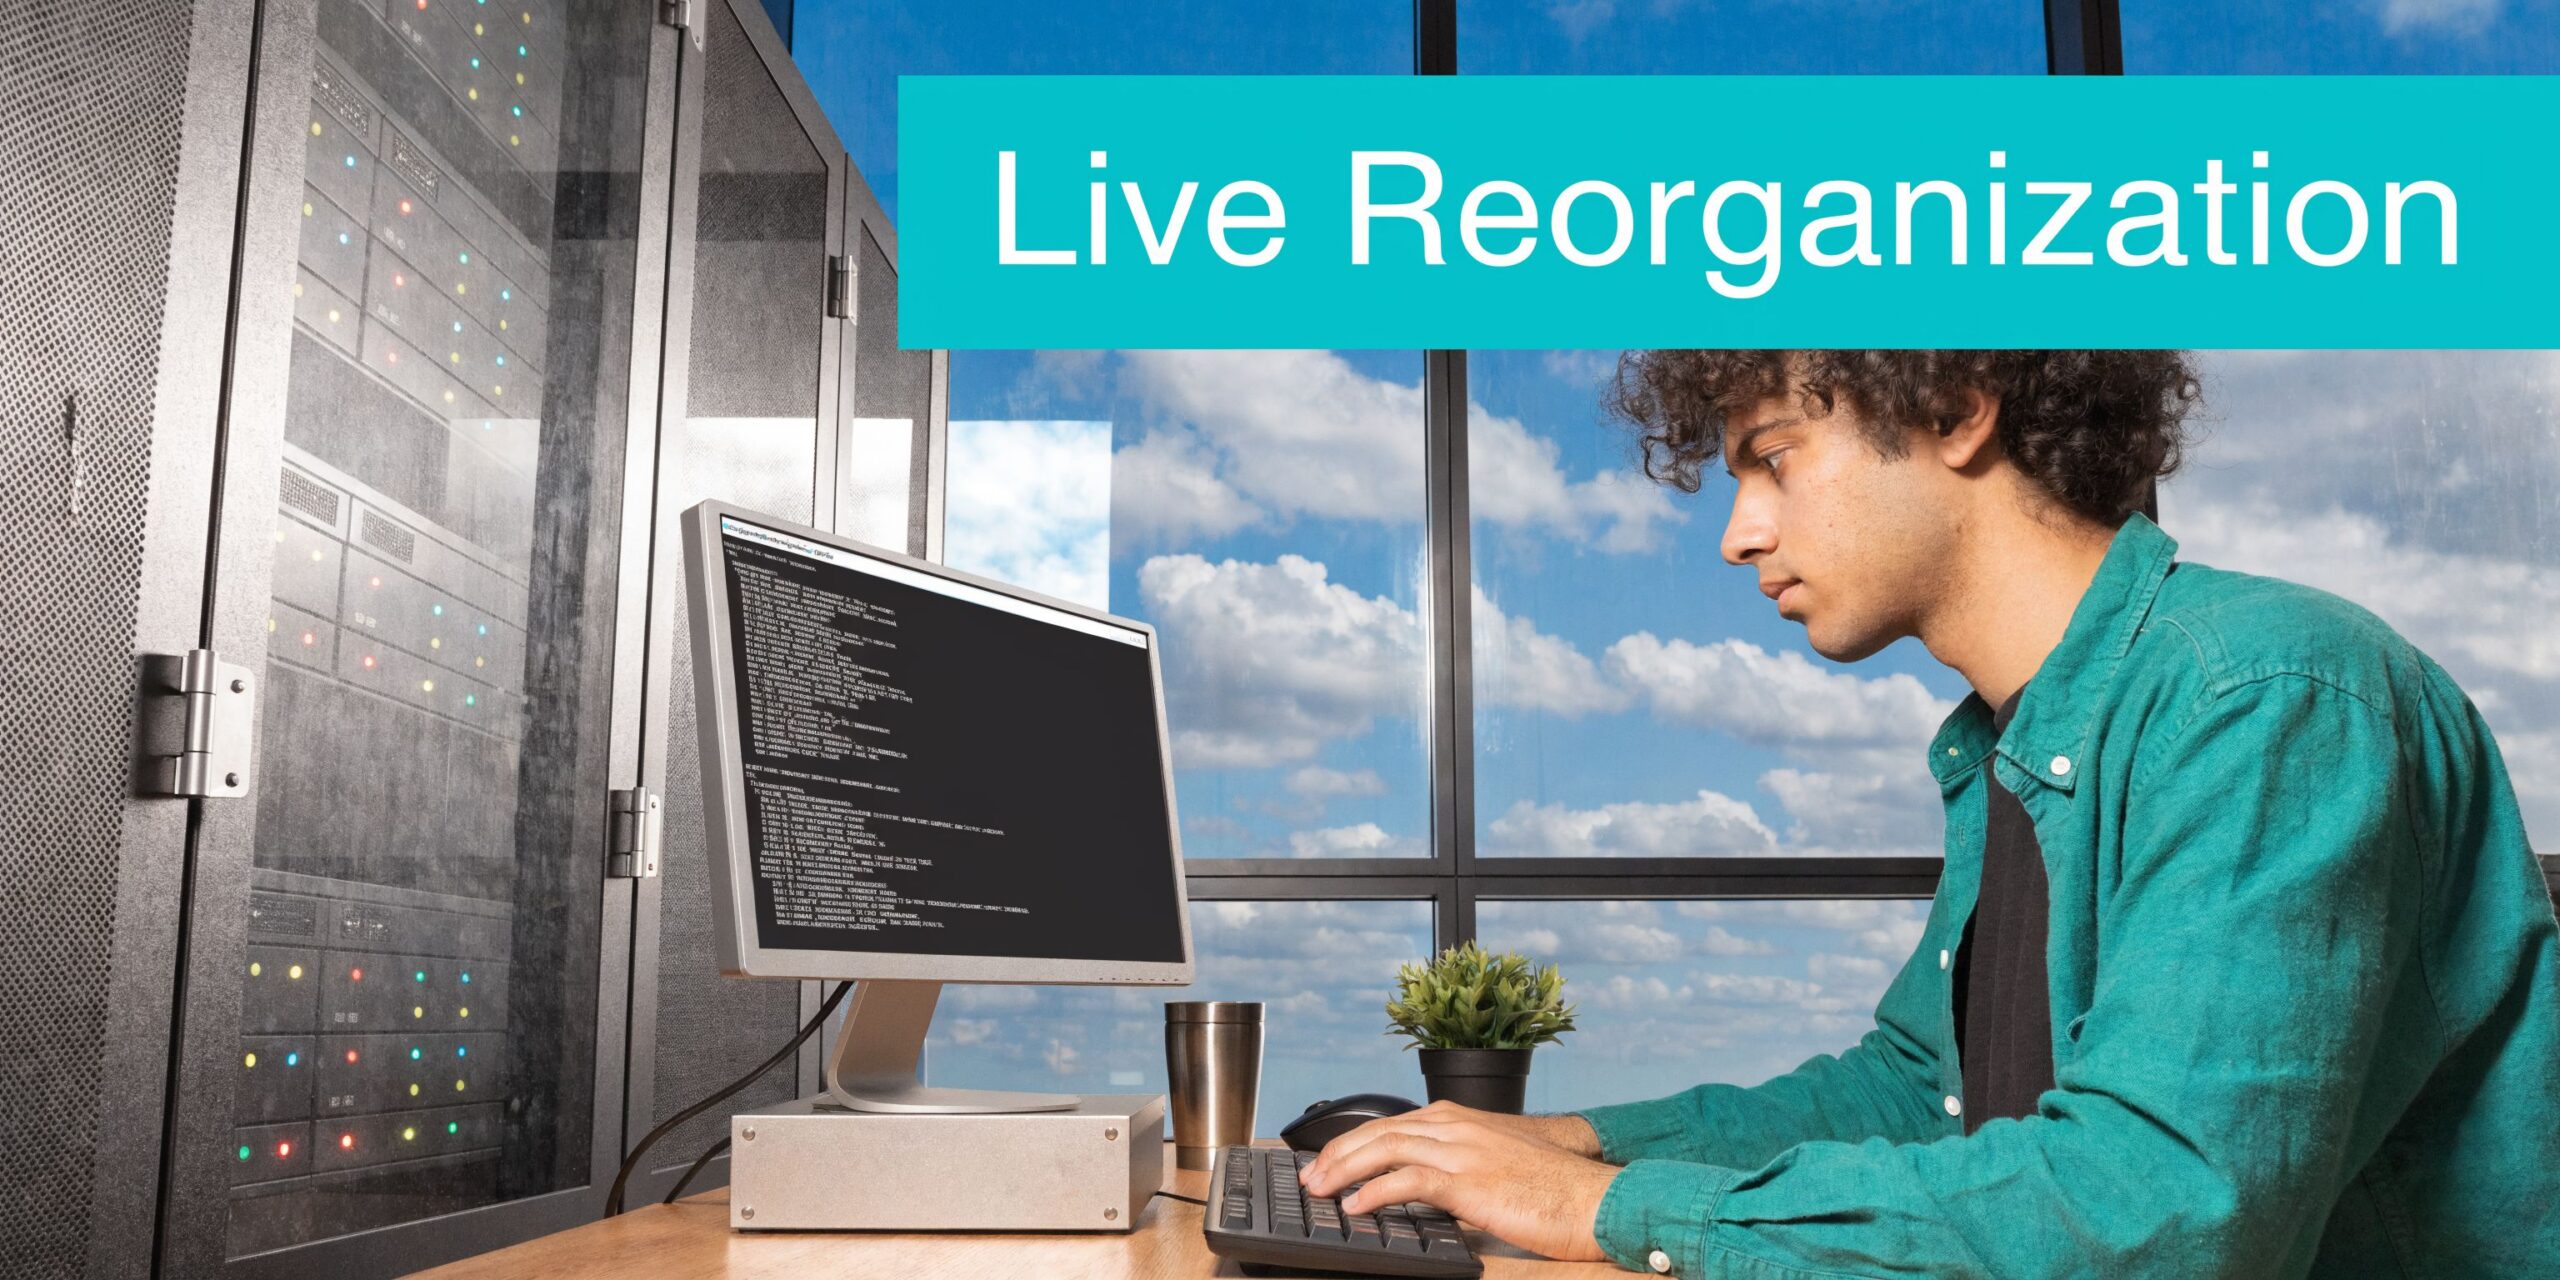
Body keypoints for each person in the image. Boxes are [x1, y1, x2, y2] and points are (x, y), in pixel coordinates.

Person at [1297, 350, 2560, 1277]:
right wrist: (1552, 1142)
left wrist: (1607, 1209)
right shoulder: (2015, 740)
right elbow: (1912, 1091)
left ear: (1954, 409)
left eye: (1773, 458)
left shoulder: (2265, 696)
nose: (1739, 535)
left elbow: (2171, 1203)